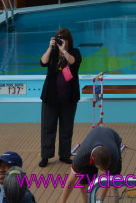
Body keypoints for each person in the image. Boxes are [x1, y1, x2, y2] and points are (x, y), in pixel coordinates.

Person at [40, 27, 82, 167]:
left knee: (66, 128)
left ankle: (64, 155)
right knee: (48, 128)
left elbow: (73, 62)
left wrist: (64, 50)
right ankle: (46, 156)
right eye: (58, 39)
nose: (60, 42)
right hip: (50, 98)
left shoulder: (74, 52)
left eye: (63, 40)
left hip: (68, 99)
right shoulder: (52, 53)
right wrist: (50, 47)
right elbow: (43, 62)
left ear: (69, 41)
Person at [59, 125, 123, 203]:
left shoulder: (114, 156)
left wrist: (98, 200)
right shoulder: (81, 156)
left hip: (112, 137)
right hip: (92, 145)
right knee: (84, 183)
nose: (103, 171)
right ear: (93, 162)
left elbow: (106, 181)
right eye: (101, 168)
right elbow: (70, 182)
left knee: (113, 185)